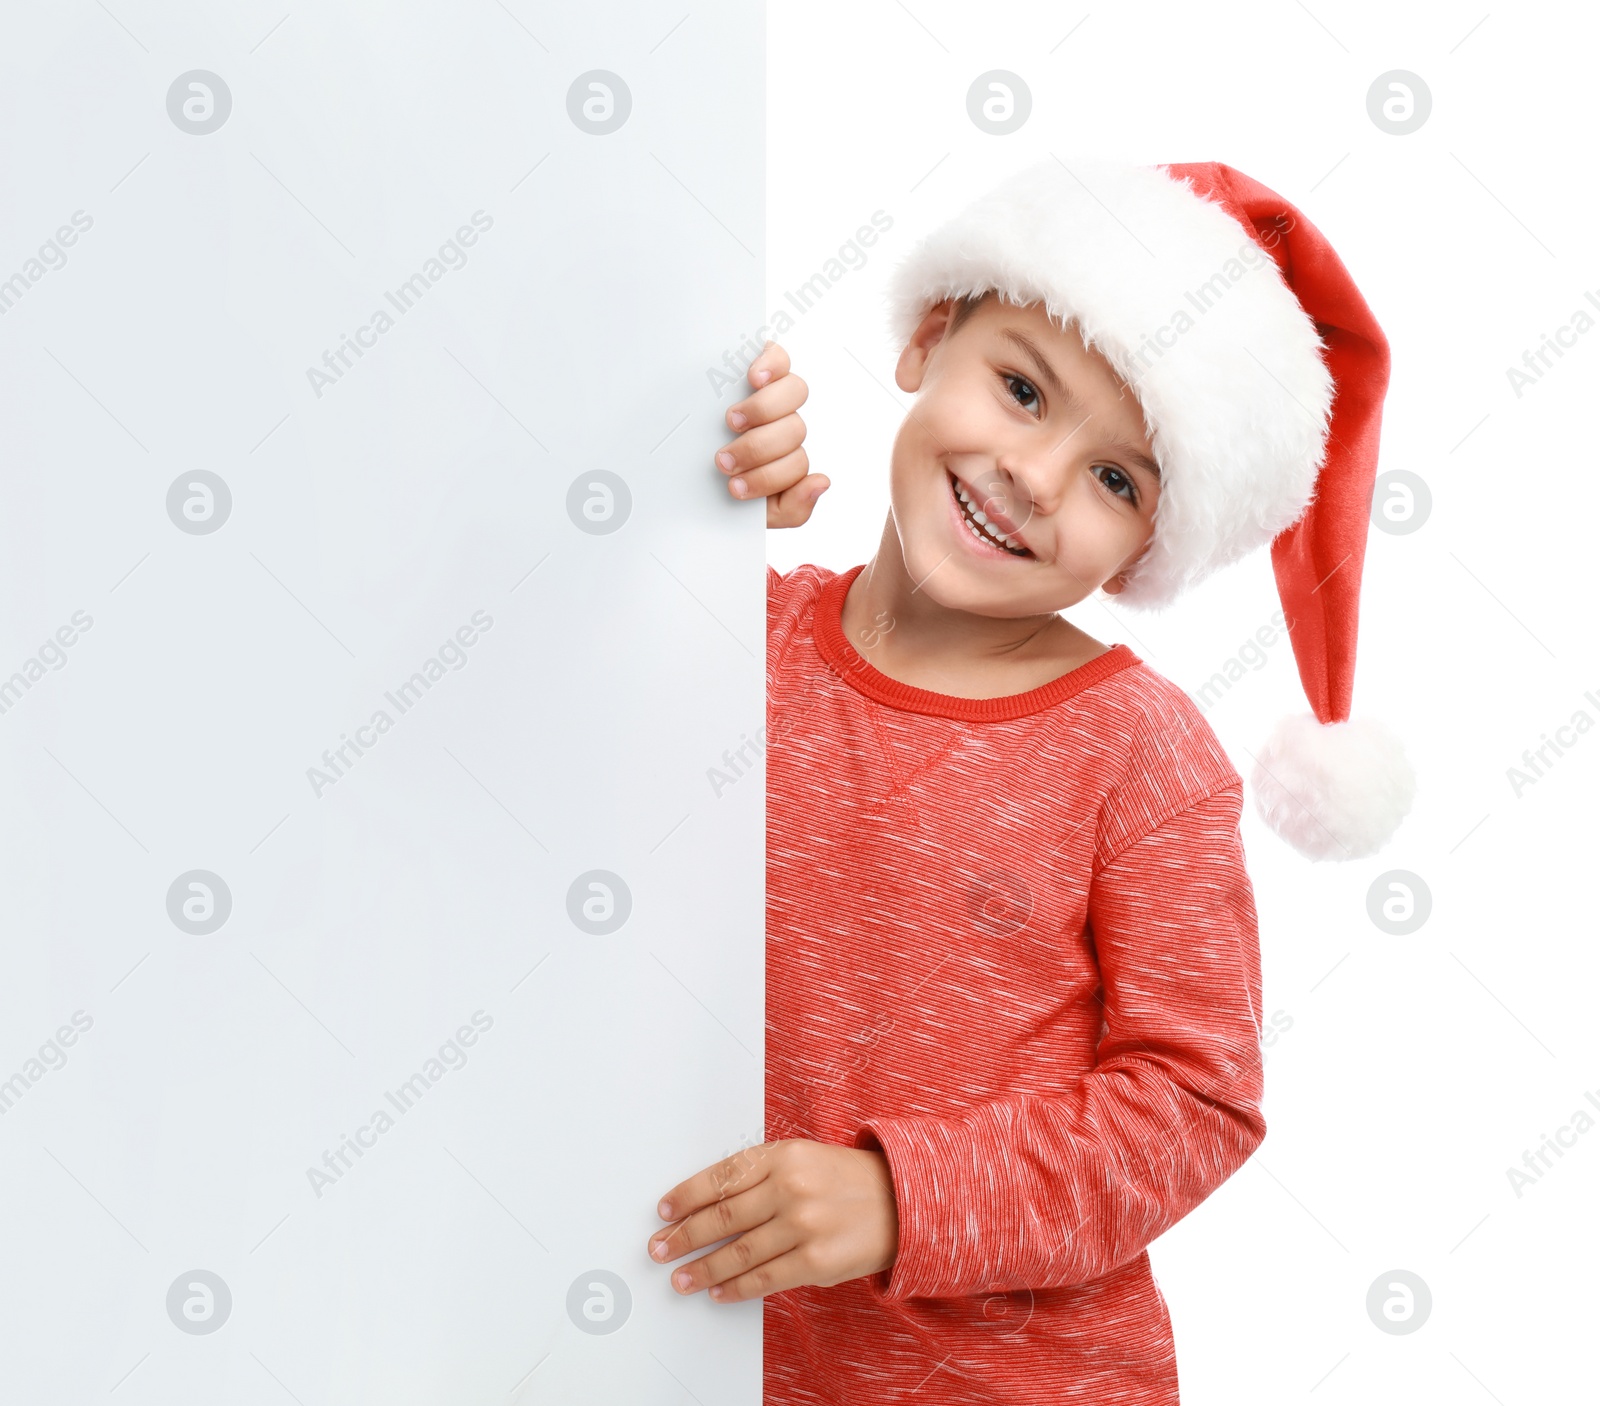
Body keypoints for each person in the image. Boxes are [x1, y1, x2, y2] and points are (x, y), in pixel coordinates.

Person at [645, 157, 1417, 1402]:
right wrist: (690, 510)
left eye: (1117, 479)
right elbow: (532, 701)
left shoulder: (1139, 753)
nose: (1035, 477)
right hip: (703, 1357)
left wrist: (908, 1198)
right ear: (929, 337)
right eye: (1019, 389)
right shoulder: (739, 646)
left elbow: (1194, 1099)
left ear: (1147, 548)